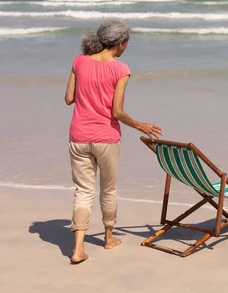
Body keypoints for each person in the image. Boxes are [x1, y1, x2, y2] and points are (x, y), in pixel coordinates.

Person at [64, 19, 163, 264]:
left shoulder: (79, 62)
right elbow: (117, 112)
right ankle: (109, 239)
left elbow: (68, 98)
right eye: (126, 43)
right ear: (120, 43)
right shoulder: (121, 70)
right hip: (106, 138)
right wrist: (140, 125)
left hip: (78, 136)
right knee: (108, 190)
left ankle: (78, 249)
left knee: (83, 191)